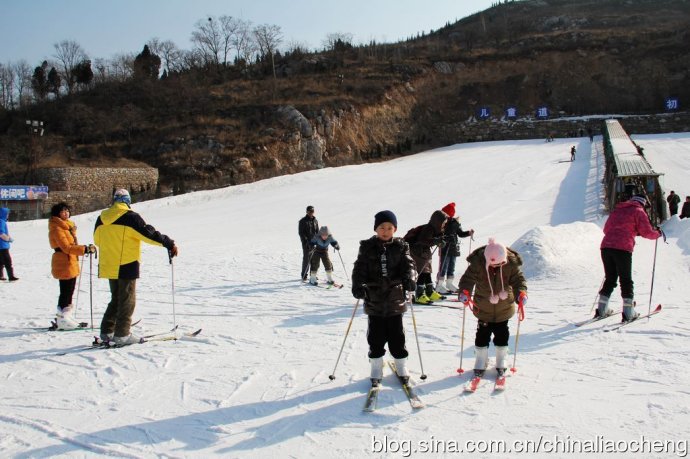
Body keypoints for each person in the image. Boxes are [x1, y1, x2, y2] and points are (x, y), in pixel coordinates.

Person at [94, 189, 178, 345]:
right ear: (127, 201)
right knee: (127, 300)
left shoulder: (101, 218)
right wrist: (168, 243)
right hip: (127, 263)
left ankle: (107, 331)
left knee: (116, 298)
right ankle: (122, 335)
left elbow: (97, 240)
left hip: (109, 263)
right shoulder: (130, 217)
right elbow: (149, 234)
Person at [351, 210, 417, 383]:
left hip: (395, 299)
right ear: (375, 229)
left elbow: (409, 264)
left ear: (395, 229)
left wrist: (410, 278)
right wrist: (358, 285)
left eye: (389, 227)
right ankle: (376, 365)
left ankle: (401, 364)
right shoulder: (367, 247)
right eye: (382, 227)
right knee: (375, 337)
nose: (385, 231)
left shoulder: (401, 246)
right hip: (374, 300)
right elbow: (359, 268)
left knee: (397, 336)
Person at [458, 238, 527, 377]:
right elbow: (467, 279)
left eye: (499, 264)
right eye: (492, 264)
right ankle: (481, 359)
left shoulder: (510, 264)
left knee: (502, 335)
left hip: (504, 308)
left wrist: (521, 293)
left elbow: (518, 280)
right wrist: (464, 292)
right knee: (482, 335)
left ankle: (501, 358)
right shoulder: (478, 264)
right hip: (483, 307)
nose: (495, 266)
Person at [596, 195, 662, 322]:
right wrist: (658, 233)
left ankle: (602, 309)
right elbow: (647, 232)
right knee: (626, 279)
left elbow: (606, 229)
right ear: (643, 203)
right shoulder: (639, 211)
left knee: (610, 278)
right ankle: (628, 312)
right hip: (623, 248)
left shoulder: (618, 210)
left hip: (606, 246)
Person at [48, 202, 96, 329]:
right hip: (64, 261)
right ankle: (63, 319)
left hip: (70, 261)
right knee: (66, 290)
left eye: (67, 211)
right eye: (63, 211)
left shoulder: (67, 227)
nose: (66, 213)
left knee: (68, 290)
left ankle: (64, 317)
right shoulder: (57, 228)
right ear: (57, 214)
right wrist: (84, 249)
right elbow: (66, 247)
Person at [404, 210, 448, 304]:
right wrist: (435, 241)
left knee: (427, 271)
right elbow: (422, 240)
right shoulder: (428, 228)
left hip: (424, 251)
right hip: (417, 251)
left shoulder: (435, 229)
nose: (444, 224)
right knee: (422, 271)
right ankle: (419, 295)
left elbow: (432, 240)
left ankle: (429, 292)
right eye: (443, 222)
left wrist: (439, 241)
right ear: (438, 221)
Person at [437, 202, 475, 294]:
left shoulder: (455, 223)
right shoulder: (442, 222)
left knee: (451, 266)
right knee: (444, 266)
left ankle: (449, 284)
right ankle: (439, 285)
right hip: (445, 247)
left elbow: (460, 233)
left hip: (453, 248)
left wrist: (468, 233)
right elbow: (438, 234)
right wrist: (445, 238)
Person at [298, 205, 319, 281]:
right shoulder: (303, 221)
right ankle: (304, 275)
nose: (311, 213)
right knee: (306, 259)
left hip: (314, 243)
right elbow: (301, 233)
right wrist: (306, 242)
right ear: (307, 212)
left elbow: (317, 232)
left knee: (314, 260)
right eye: (310, 211)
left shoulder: (315, 220)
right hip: (306, 244)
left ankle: (313, 275)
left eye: (312, 211)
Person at [0, 207, 18, 281]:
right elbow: (1, 233)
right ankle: (11, 277)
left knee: (1, 261)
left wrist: (9, 237)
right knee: (8, 261)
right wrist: (8, 239)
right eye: (7, 214)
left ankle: (0, 276)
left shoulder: (2, 221)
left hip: (2, 245)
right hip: (2, 245)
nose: (8, 215)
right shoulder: (1, 221)